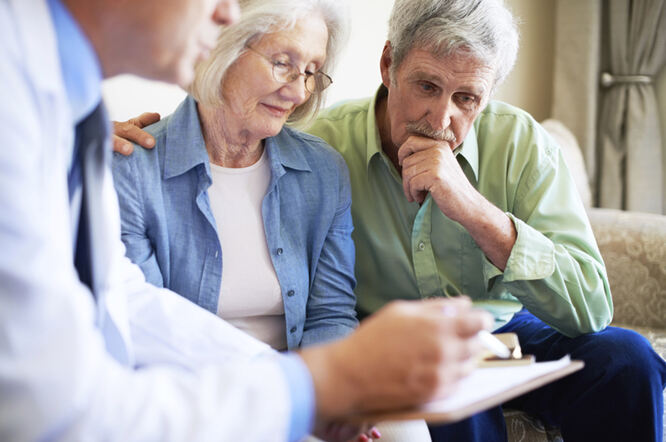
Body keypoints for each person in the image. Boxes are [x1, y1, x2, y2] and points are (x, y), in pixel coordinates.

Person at [115, 0, 666, 441]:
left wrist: (471, 208)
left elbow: (592, 304)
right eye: (427, 86)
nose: (442, 117)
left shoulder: (520, 143)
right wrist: (94, 140)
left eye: (467, 98)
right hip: (398, 338)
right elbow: (217, 133)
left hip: (500, 330)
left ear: (488, 95)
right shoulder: (323, 148)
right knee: (441, 395)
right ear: (388, 66)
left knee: (628, 359)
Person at [0, 0, 494, 441]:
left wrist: (319, 382)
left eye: (311, 71)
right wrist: (310, 389)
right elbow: (58, 409)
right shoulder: (101, 145)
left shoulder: (69, 106)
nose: (224, 17)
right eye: (282, 61)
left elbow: (129, 298)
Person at [112, 0, 358, 354]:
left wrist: (314, 400)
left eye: (309, 70)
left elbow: (330, 317)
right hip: (189, 392)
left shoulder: (323, 171)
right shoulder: (133, 171)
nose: (300, 91)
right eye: (282, 63)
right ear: (222, 48)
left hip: (302, 392)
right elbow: (148, 333)